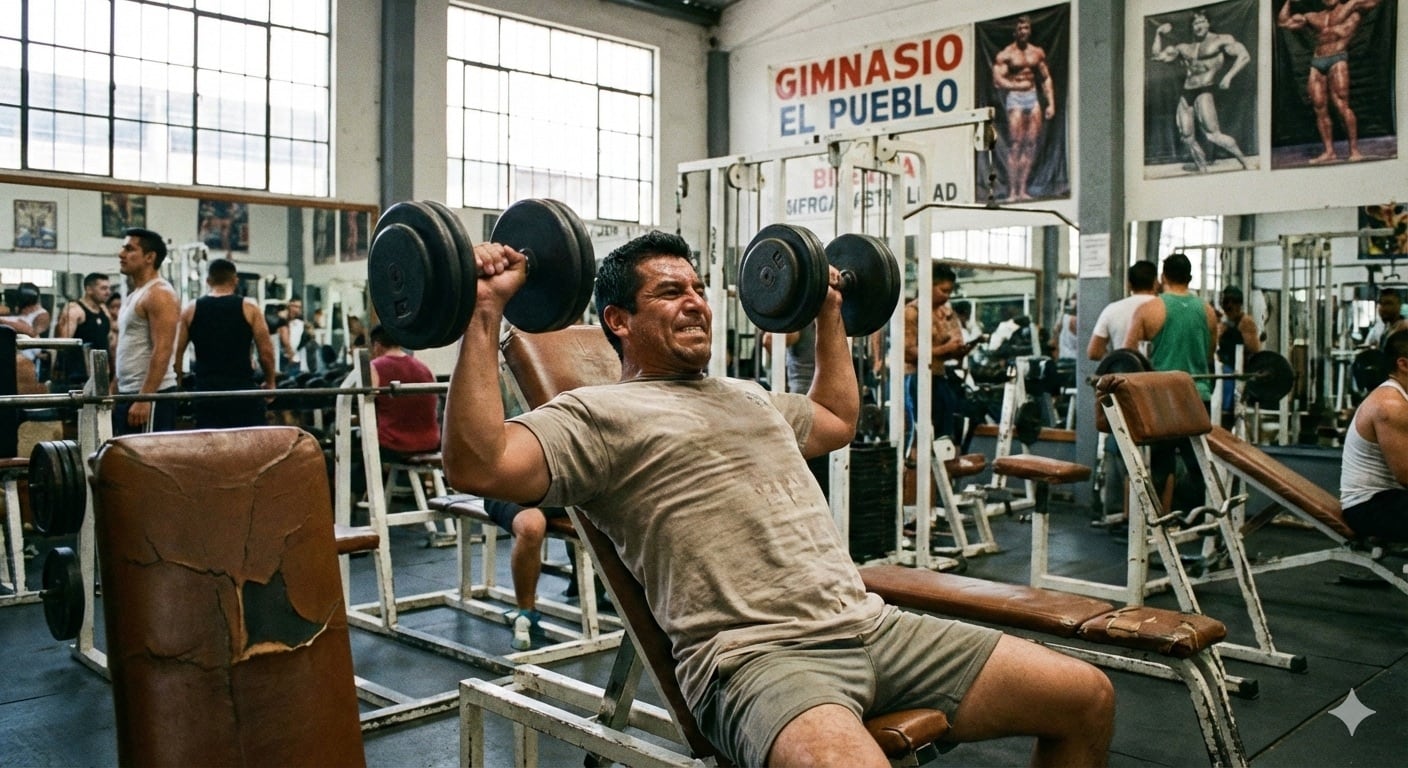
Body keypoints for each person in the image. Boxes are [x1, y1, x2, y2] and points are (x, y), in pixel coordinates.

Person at [442, 231, 1114, 768]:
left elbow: (836, 417)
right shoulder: (595, 413)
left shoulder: (749, 396)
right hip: (760, 659)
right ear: (618, 320)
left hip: (872, 626)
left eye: (698, 290)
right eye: (670, 292)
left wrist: (828, 312)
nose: (695, 303)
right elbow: (480, 463)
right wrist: (484, 312)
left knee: (1086, 697)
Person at [1125, 253, 1219, 513]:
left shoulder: (1150, 309)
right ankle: (1196, 521)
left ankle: (1156, 522)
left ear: (1162, 277)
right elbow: (1209, 354)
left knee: (1160, 465)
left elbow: (1127, 356)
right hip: (1197, 396)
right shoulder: (1208, 312)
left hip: (1161, 398)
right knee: (1198, 465)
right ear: (1190, 277)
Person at [173, 258, 277, 429]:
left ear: (208, 281)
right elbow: (266, 353)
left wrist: (177, 386)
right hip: (241, 391)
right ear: (235, 280)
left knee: (212, 444)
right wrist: (270, 382)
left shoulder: (191, 310)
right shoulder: (250, 308)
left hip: (207, 393)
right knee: (247, 443)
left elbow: (176, 354)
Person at [1276, 0, 1383, 164]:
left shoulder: (1352, 7)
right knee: (1319, 107)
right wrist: (1289, 1)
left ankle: (1354, 151)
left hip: (1337, 58)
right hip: (1317, 62)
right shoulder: (1313, 17)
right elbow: (1283, 22)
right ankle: (1329, 152)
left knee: (1341, 105)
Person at [1152, 11, 1251, 172]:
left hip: (1204, 89)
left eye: (1202, 22)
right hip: (1186, 93)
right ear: (1192, 26)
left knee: (1213, 134)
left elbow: (1244, 56)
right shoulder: (1184, 48)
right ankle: (1203, 169)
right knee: (1186, 136)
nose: (1199, 26)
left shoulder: (1220, 40)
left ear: (1208, 23)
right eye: (1195, 23)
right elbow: (1157, 56)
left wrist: (1228, 76)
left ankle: (1245, 162)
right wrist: (1158, 33)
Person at [1338, 328, 1408, 539]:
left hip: (1391, 499)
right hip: (1369, 507)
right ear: (1404, 364)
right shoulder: (1390, 405)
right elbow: (1406, 476)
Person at [114, 228, 180, 434]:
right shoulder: (135, 295)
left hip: (151, 396)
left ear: (149, 257)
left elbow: (163, 350)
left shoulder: (159, 293)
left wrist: (145, 398)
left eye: (129, 249)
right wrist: (113, 390)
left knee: (146, 456)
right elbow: (128, 348)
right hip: (130, 393)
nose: (121, 254)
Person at [482, 498, 570, 651]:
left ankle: (597, 584)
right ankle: (526, 612)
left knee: (603, 503)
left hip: (560, 492)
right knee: (531, 526)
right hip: (510, 493)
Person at [904, 264, 969, 454]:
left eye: (950, 291)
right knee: (919, 433)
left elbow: (955, 343)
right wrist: (945, 349)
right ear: (929, 286)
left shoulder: (947, 313)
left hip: (939, 376)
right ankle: (913, 469)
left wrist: (958, 350)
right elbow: (907, 352)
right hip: (914, 378)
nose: (947, 296)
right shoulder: (911, 312)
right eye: (943, 290)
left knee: (945, 432)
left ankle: (943, 469)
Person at [992, 14, 1056, 201]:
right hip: (1016, 99)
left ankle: (1022, 189)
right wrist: (1016, 86)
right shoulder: (1007, 54)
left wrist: (1051, 103)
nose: (1023, 31)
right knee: (1016, 144)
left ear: (1030, 30)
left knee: (1030, 144)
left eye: (1026, 28)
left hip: (1032, 98)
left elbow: (1046, 78)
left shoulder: (1037, 53)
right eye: (1020, 28)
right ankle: (1012, 192)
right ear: (1015, 32)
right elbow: (998, 80)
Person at [1087, 261, 1159, 361]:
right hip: (1161, 370)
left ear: (1129, 285)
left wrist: (1117, 359)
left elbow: (1094, 352)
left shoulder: (1111, 309)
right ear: (1156, 283)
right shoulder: (1163, 308)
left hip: (1125, 368)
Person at [55, 273, 113, 387]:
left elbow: (109, 341)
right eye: (103, 288)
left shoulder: (104, 310)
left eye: (108, 288)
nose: (108, 292)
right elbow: (61, 345)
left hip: (100, 375)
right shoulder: (74, 310)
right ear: (89, 289)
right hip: (78, 378)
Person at [1216, 286, 1262, 425]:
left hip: (1238, 371)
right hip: (1224, 368)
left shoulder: (1246, 322)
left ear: (1239, 305)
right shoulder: (1223, 322)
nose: (1229, 307)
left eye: (1233, 303)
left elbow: (1254, 349)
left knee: (1230, 409)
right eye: (1226, 303)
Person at [278, 295, 306, 375]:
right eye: (294, 306)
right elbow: (284, 340)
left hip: (296, 359)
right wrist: (290, 355)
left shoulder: (299, 323)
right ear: (289, 306)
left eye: (299, 307)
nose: (296, 309)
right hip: (284, 359)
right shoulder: (282, 320)